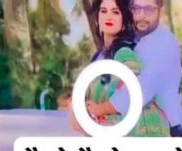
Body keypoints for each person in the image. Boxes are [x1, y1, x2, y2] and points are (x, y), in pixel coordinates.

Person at [70, 0, 170, 137]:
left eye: (116, 12)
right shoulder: (99, 57)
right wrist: (74, 107)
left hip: (143, 133)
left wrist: (101, 109)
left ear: (124, 21)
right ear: (97, 18)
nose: (109, 16)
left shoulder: (124, 52)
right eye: (103, 11)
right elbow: (83, 94)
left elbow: (139, 90)